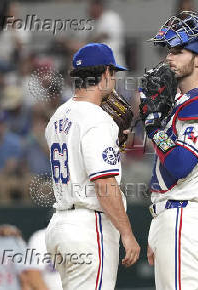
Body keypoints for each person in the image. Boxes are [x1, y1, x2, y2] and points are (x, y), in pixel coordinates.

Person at [141, 11, 198, 289]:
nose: (169, 57)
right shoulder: (179, 101)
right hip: (171, 215)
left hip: (184, 217)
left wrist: (154, 127)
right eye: (169, 51)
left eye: (178, 51)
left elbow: (179, 164)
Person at [44, 43, 140, 290]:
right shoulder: (96, 118)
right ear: (106, 73)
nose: (115, 80)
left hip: (60, 226)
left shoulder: (58, 116)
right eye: (114, 74)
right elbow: (104, 184)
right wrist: (127, 234)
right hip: (88, 227)